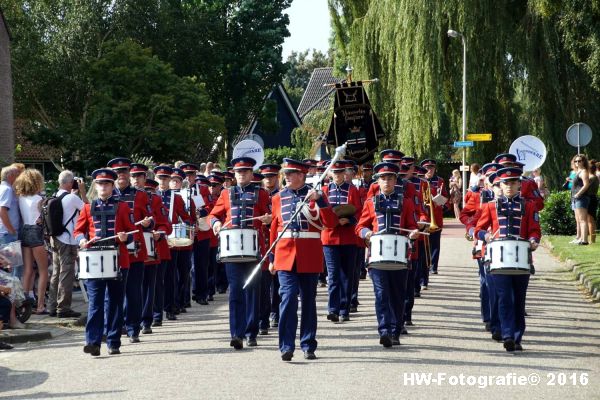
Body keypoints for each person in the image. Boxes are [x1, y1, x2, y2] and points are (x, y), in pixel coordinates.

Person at [269, 158, 337, 361]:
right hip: (284, 255)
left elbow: (331, 223)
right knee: (288, 299)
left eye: (290, 174)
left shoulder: (316, 195)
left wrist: (321, 200)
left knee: (308, 301)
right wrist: (272, 258)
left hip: (309, 255)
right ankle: (286, 346)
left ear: (301, 175)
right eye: (286, 174)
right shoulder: (278, 198)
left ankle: (308, 344)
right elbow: (274, 230)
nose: (286, 177)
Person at [475, 167, 541, 352]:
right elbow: (479, 229)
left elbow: (535, 229)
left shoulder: (529, 206)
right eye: (506, 183)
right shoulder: (490, 206)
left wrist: (534, 240)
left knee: (519, 299)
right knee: (504, 297)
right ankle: (507, 335)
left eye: (513, 182)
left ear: (520, 184)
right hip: (498, 260)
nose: (509, 186)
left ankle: (518, 336)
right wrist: (486, 236)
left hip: (521, 259)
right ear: (500, 185)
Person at [356, 162, 420, 347]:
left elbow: (411, 226)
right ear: (378, 181)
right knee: (381, 294)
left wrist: (413, 233)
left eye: (390, 178)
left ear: (395, 180)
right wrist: (366, 233)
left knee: (398, 295)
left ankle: (395, 331)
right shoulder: (370, 202)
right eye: (383, 178)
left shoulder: (406, 202)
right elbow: (359, 226)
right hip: (377, 257)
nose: (386, 181)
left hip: (400, 256)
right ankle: (384, 330)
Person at [74, 168, 137, 356]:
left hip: (118, 260)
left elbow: (133, 234)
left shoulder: (123, 207)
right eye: (100, 183)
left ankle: (113, 341)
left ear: (112, 186)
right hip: (94, 261)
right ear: (96, 186)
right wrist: (81, 240)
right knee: (95, 303)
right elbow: (78, 231)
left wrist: (125, 237)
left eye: (107, 184)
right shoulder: (86, 207)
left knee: (116, 302)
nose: (103, 187)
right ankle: (93, 342)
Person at [210, 157, 271, 350]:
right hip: (232, 249)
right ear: (234, 175)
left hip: (254, 249)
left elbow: (271, 216)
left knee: (252, 291)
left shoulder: (261, 193)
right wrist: (216, 223)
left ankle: (251, 332)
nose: (242, 174)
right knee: (235, 290)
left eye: (245, 171)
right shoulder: (226, 194)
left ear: (251, 174)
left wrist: (268, 218)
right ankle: (236, 333)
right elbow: (213, 214)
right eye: (238, 172)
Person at [108, 157, 153, 343]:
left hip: (135, 251)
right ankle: (116, 328)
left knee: (134, 291)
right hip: (112, 252)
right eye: (118, 173)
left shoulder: (141, 195)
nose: (122, 176)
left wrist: (149, 224)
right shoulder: (106, 197)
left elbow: (151, 221)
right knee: (114, 294)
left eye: (125, 172)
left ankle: (134, 327)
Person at [130, 165, 172, 334]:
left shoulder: (154, 199)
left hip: (149, 246)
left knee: (149, 284)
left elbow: (165, 224)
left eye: (140, 176)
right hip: (129, 248)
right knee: (131, 285)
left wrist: (159, 232)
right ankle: (131, 319)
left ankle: (148, 319)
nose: (136, 179)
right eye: (134, 176)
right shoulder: (121, 198)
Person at [321, 160, 362, 323]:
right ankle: (333, 309)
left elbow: (359, 211)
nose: (337, 176)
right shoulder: (324, 190)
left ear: (344, 173)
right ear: (330, 174)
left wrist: (350, 220)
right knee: (333, 275)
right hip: (330, 238)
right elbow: (321, 215)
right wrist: (335, 221)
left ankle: (344, 309)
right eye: (334, 173)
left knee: (347, 275)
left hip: (348, 237)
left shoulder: (352, 190)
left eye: (340, 173)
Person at [48, 170, 88, 318]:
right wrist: (82, 192)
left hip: (55, 238)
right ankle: (63, 308)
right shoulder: (72, 198)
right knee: (67, 273)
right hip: (68, 240)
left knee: (56, 272)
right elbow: (88, 209)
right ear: (70, 183)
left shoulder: (54, 196)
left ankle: (52, 306)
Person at [13, 169, 48, 314]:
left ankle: (23, 304)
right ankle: (40, 306)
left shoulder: (20, 198)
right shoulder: (39, 199)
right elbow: (42, 219)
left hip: (24, 230)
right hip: (35, 231)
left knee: (27, 270)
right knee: (43, 270)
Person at [257, 163, 281, 334]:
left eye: (272, 176)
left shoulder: (281, 195)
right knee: (264, 282)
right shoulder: (259, 195)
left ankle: (277, 312)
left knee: (278, 282)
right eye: (266, 177)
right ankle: (263, 317)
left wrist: (272, 220)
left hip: (279, 242)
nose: (268, 179)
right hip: (262, 242)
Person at [0, 166, 21, 279]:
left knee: (9, 268)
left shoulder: (4, 188)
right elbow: (2, 210)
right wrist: (11, 230)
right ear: (11, 176)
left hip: (5, 233)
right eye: (17, 175)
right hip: (8, 234)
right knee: (14, 269)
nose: (18, 178)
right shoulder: (7, 190)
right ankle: (14, 295)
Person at [571, 154, 591, 245]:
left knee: (583, 220)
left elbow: (586, 185)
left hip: (581, 198)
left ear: (583, 162)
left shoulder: (583, 171)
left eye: (579, 161)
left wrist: (578, 194)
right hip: (576, 198)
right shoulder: (577, 172)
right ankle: (579, 238)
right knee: (578, 220)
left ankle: (584, 240)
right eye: (576, 161)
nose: (577, 163)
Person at [586, 160, 598, 244]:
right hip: (592, 198)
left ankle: (592, 240)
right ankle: (591, 238)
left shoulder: (592, 178)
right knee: (590, 220)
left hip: (591, 198)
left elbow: (586, 187)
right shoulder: (593, 177)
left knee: (590, 220)